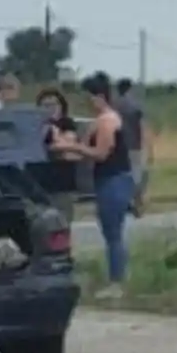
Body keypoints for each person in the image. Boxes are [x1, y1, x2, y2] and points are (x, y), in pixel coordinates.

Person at [51, 72, 134, 299]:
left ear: (99, 96)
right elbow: (84, 147)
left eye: (88, 96)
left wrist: (73, 148)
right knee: (110, 232)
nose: (86, 101)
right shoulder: (98, 121)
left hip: (114, 179)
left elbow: (100, 153)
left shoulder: (108, 121)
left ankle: (117, 282)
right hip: (106, 180)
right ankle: (117, 277)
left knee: (113, 233)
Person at [27, 87, 79, 224]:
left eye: (54, 104)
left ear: (61, 106)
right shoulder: (34, 126)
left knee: (62, 221)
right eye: (45, 105)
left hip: (61, 182)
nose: (50, 108)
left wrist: (53, 131)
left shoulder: (67, 124)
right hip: (38, 181)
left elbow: (66, 145)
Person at [115, 78, 154, 217]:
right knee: (138, 175)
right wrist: (149, 148)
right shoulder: (135, 106)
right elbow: (143, 127)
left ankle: (124, 202)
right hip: (135, 146)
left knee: (122, 175)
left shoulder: (115, 106)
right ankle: (137, 204)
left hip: (118, 147)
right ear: (130, 89)